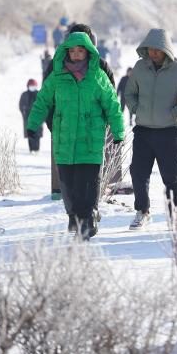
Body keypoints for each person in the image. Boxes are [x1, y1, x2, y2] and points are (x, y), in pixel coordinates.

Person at [26, 32, 125, 239]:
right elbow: (43, 101)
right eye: (72, 51)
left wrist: (118, 131)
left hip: (90, 141)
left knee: (87, 186)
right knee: (69, 188)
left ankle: (86, 223)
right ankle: (78, 217)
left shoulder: (98, 77)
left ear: (88, 52)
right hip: (65, 142)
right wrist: (33, 124)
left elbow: (112, 105)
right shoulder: (57, 77)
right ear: (66, 52)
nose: (77, 54)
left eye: (81, 51)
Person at [125, 28, 177, 229]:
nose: (153, 53)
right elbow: (129, 93)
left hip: (168, 131)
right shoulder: (140, 67)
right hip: (143, 131)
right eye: (150, 49)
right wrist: (135, 109)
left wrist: (174, 113)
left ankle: (174, 214)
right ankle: (142, 211)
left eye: (157, 50)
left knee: (171, 177)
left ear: (165, 49)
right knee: (138, 173)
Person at [19, 79, 43, 152]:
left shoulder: (39, 94)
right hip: (28, 118)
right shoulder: (24, 94)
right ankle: (31, 149)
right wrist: (24, 112)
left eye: (33, 86)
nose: (32, 87)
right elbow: (21, 105)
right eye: (31, 86)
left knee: (37, 134)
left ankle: (37, 149)